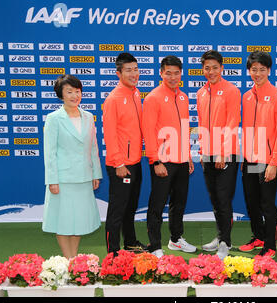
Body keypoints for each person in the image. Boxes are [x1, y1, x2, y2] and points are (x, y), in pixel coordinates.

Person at [43, 74, 102, 259]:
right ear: (61, 95)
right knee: (64, 221)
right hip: (63, 179)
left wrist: (96, 174)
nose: (75, 96)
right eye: (69, 92)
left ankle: (74, 259)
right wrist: (52, 180)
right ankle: (68, 260)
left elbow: (93, 147)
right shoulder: (54, 119)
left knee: (79, 223)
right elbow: (50, 153)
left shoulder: (88, 117)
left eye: (77, 91)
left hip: (84, 177)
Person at [142, 55, 196, 258]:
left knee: (179, 203)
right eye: (168, 73)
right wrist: (155, 160)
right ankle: (155, 245)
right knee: (157, 204)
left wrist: (188, 156)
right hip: (162, 161)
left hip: (181, 160)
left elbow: (184, 129)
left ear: (181, 74)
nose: (173, 77)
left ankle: (175, 239)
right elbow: (148, 131)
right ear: (161, 73)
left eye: (176, 73)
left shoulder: (182, 97)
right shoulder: (153, 98)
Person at [239, 51, 277, 258]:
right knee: (251, 202)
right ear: (249, 71)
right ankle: (258, 236)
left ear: (269, 70)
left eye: (262, 69)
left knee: (267, 204)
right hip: (249, 159)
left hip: (268, 161)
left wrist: (274, 163)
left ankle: (270, 245)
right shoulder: (247, 96)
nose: (257, 73)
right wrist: (244, 157)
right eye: (254, 69)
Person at [196, 50, 241, 259]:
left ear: (222, 68)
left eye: (215, 67)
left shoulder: (231, 90)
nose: (211, 71)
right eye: (207, 68)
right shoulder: (201, 93)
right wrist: (204, 152)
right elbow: (202, 125)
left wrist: (222, 153)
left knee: (224, 199)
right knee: (215, 199)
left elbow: (232, 122)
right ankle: (221, 235)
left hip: (227, 154)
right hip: (208, 154)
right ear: (203, 69)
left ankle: (226, 242)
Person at [103, 52, 145, 256]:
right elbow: (110, 135)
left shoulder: (136, 93)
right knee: (117, 210)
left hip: (135, 161)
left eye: (136, 69)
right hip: (121, 165)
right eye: (129, 70)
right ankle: (113, 252)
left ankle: (130, 242)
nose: (134, 73)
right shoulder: (114, 99)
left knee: (131, 207)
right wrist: (119, 164)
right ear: (118, 73)